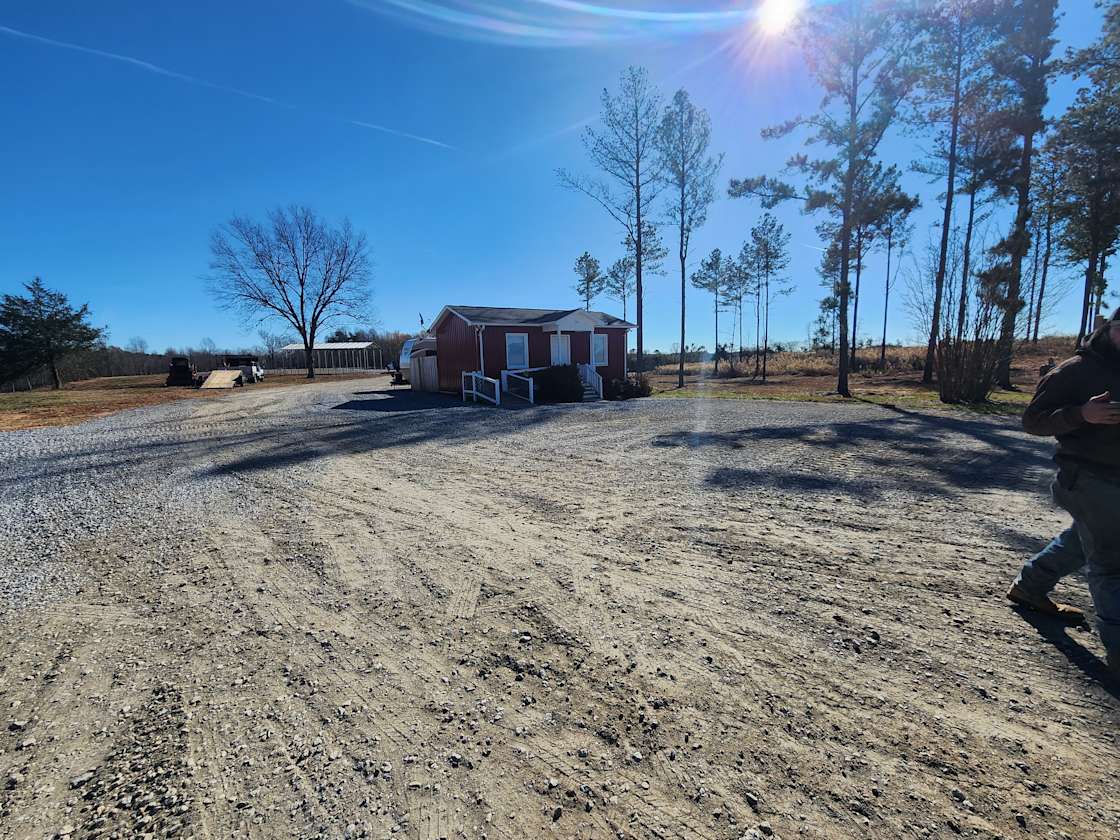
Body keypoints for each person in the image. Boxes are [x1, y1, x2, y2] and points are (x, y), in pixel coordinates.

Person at [1008, 308, 1120, 678]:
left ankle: (1030, 586)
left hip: (1113, 480)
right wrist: (1081, 414)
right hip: (1086, 478)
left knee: (1081, 540)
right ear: (1110, 329)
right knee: (1110, 564)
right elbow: (1032, 420)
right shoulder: (1076, 370)